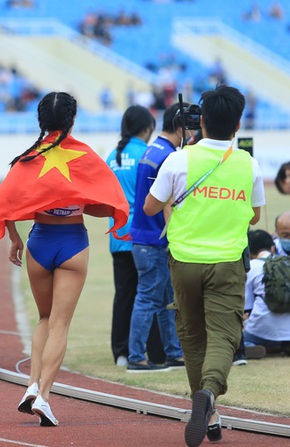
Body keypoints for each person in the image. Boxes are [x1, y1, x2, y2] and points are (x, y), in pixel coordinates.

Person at [0, 92, 130, 426]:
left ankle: (31, 385)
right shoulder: (84, 155)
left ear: (40, 121)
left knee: (44, 319)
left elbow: (6, 203)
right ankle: (44, 397)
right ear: (72, 120)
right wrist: (79, 200)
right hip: (73, 241)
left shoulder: (27, 159)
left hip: (39, 242)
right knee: (61, 323)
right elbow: (107, 204)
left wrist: (14, 238)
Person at [143, 85, 264, 447]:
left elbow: (150, 208)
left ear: (201, 121)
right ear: (238, 123)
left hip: (184, 262)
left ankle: (207, 407)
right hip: (227, 262)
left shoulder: (179, 160)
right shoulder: (248, 163)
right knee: (224, 334)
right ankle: (210, 392)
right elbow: (256, 217)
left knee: (193, 337)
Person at [105, 105, 165, 369]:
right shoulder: (148, 155)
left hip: (117, 235)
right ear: (147, 129)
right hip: (142, 234)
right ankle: (150, 351)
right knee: (149, 295)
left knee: (124, 295)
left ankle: (120, 351)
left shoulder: (111, 157)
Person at [127, 103, 185, 372]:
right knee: (150, 298)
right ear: (180, 127)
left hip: (143, 237)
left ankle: (173, 352)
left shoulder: (152, 150)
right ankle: (137, 356)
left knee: (164, 299)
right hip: (155, 239)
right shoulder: (169, 156)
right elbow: (167, 203)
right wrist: (175, 238)